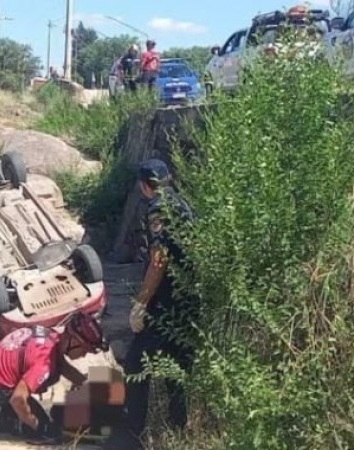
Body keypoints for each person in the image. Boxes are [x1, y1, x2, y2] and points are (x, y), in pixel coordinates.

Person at [103, 159, 196, 450]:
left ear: (145, 186)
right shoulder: (184, 205)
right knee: (177, 370)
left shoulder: (159, 209)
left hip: (165, 304)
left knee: (135, 365)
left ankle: (131, 436)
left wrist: (141, 304)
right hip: (188, 302)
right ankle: (180, 432)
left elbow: (158, 260)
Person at [0, 313, 109, 443]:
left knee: (39, 409)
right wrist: (35, 424)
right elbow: (18, 399)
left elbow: (61, 365)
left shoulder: (51, 337)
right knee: (45, 431)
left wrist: (84, 382)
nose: (84, 355)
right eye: (84, 350)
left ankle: (2, 411)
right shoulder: (44, 362)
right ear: (72, 340)